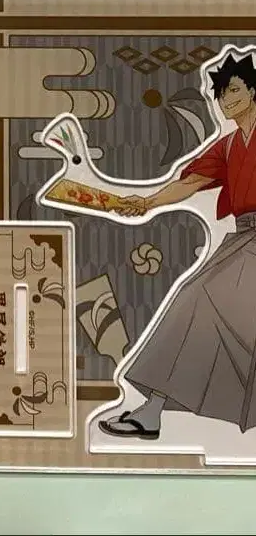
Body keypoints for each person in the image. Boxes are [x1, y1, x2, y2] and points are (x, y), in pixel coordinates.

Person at [99, 52, 256, 440]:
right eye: (221, 93)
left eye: (234, 90)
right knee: (201, 304)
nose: (226, 100)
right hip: (245, 238)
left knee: (201, 299)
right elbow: (189, 183)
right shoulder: (229, 146)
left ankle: (153, 410)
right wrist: (146, 203)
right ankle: (153, 411)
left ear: (253, 91)